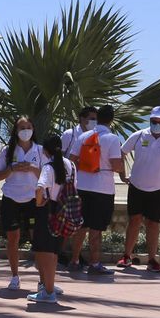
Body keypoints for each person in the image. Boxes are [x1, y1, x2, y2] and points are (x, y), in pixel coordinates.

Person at [117, 106, 160, 272]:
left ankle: (152, 260)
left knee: (153, 224)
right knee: (134, 221)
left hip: (159, 190)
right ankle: (126, 256)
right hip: (136, 186)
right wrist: (122, 175)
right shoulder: (139, 135)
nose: (156, 124)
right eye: (154, 121)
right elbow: (121, 153)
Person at [62, 104, 124, 274]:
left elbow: (71, 160)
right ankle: (94, 263)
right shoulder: (112, 139)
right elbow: (117, 166)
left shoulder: (83, 137)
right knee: (96, 228)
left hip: (82, 186)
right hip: (103, 188)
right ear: (111, 120)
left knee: (81, 226)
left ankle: (74, 260)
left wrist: (87, 167)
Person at [0, 115, 43, 290]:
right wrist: (12, 168)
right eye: (22, 128)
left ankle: (43, 279)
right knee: (13, 237)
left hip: (33, 199)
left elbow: (47, 175)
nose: (26, 131)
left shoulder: (40, 150)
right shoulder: (8, 151)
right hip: (11, 199)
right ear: (16, 131)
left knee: (37, 238)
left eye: (28, 127)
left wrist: (33, 168)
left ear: (33, 129)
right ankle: (15, 276)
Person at [28, 134, 74, 303]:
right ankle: (50, 286)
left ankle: (48, 292)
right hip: (63, 211)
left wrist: (39, 203)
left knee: (44, 252)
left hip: (48, 210)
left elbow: (40, 187)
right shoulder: (71, 165)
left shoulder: (48, 167)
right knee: (54, 251)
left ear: (45, 151)